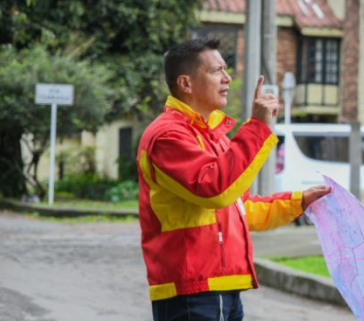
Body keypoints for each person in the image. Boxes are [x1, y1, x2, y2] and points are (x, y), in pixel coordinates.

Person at [136, 38, 330, 321]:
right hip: (192, 290)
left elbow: (241, 208)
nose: (227, 78)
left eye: (226, 70)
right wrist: (257, 127)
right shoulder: (167, 136)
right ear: (186, 84)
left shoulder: (213, 136)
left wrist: (299, 202)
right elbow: (216, 190)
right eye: (217, 71)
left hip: (221, 286)